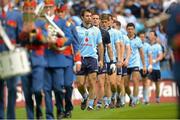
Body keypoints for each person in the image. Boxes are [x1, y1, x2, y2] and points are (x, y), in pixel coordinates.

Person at [43, 0, 81, 119]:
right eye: (58, 12)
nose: (60, 14)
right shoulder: (48, 23)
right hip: (56, 57)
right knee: (58, 87)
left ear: (65, 12)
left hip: (68, 59)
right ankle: (60, 108)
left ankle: (68, 108)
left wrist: (78, 60)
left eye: (62, 12)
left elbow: (76, 43)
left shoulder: (69, 24)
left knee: (68, 86)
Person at [18, 0, 46, 119]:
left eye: (31, 9)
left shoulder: (41, 22)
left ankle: (39, 107)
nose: (29, 11)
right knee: (27, 93)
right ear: (23, 10)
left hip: (37, 59)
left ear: (34, 10)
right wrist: (24, 32)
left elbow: (45, 40)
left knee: (37, 89)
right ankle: (30, 117)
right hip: (23, 60)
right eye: (26, 9)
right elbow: (17, 39)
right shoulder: (19, 22)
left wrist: (35, 30)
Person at [76, 9, 104, 110]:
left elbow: (100, 46)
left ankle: (91, 104)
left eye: (90, 16)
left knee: (92, 82)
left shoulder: (96, 30)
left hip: (92, 58)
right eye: (87, 16)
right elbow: (73, 45)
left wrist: (101, 60)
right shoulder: (77, 29)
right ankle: (85, 97)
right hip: (80, 58)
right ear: (82, 17)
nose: (89, 18)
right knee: (79, 84)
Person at [0, 0, 23, 119]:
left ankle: (11, 117)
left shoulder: (16, 15)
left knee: (12, 88)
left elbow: (20, 37)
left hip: (11, 57)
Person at [100, 14, 123, 108]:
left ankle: (115, 96)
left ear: (109, 22)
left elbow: (118, 46)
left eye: (106, 22)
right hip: (102, 60)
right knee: (106, 81)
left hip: (112, 60)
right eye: (103, 22)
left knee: (114, 83)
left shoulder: (115, 32)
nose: (104, 24)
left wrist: (119, 59)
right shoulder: (98, 32)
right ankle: (108, 101)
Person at [92, 12, 114, 109]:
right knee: (90, 82)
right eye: (94, 18)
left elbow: (109, 47)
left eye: (97, 18)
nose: (95, 20)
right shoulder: (87, 32)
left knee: (102, 82)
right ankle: (92, 98)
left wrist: (112, 61)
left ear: (99, 21)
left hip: (102, 60)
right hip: (90, 59)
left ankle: (100, 102)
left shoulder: (105, 33)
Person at [125, 23, 146, 107]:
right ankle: (131, 97)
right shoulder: (124, 38)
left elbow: (141, 53)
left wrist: (144, 65)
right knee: (125, 85)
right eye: (128, 29)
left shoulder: (138, 40)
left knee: (135, 82)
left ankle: (134, 101)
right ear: (126, 29)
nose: (130, 30)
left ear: (134, 30)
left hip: (135, 63)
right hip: (125, 63)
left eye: (131, 29)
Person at [113, 20, 131, 107]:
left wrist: (126, 59)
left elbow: (128, 49)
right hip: (112, 60)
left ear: (118, 27)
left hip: (121, 60)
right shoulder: (110, 34)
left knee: (120, 82)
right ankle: (116, 99)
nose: (112, 28)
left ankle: (122, 100)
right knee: (114, 82)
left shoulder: (124, 37)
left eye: (114, 26)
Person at [148, 30, 163, 103]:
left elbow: (161, 56)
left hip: (156, 68)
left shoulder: (158, 46)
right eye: (149, 34)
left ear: (155, 36)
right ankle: (146, 99)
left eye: (151, 34)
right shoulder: (146, 45)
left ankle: (157, 98)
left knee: (157, 85)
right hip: (149, 68)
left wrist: (154, 61)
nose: (149, 35)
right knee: (147, 83)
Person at [138, 31, 153, 104]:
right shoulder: (136, 45)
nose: (142, 38)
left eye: (143, 37)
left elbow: (150, 56)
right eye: (141, 37)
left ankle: (145, 99)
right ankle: (136, 99)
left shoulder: (148, 46)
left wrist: (150, 65)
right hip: (137, 66)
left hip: (145, 66)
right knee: (135, 82)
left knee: (145, 83)